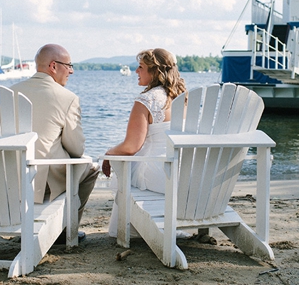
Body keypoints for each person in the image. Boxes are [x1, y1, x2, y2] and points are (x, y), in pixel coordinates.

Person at [11, 44, 99, 239]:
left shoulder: (9, 93)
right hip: (43, 184)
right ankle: (66, 230)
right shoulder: (67, 98)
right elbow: (76, 148)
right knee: (91, 169)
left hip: (9, 180)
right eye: (68, 65)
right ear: (53, 66)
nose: (71, 70)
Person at [102, 48, 186, 237]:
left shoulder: (146, 100)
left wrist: (108, 154)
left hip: (158, 172)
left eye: (141, 67)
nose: (136, 72)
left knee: (130, 169)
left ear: (155, 71)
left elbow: (131, 147)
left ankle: (131, 229)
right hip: (184, 171)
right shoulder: (182, 97)